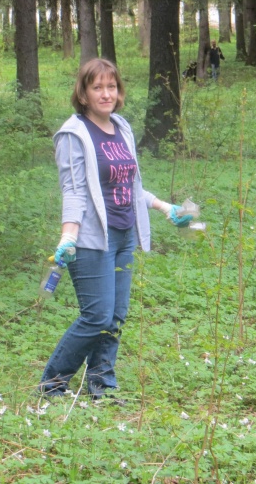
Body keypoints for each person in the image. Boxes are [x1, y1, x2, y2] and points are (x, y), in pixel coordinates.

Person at [39, 58, 193, 400]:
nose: (106, 94)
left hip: (124, 235)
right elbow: (73, 190)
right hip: (93, 239)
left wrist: (167, 208)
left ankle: (102, 386)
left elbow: (132, 184)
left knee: (116, 317)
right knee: (96, 316)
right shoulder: (73, 135)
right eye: (97, 87)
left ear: (119, 91)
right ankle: (52, 383)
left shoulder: (122, 127)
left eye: (111, 87)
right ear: (83, 94)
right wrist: (68, 234)